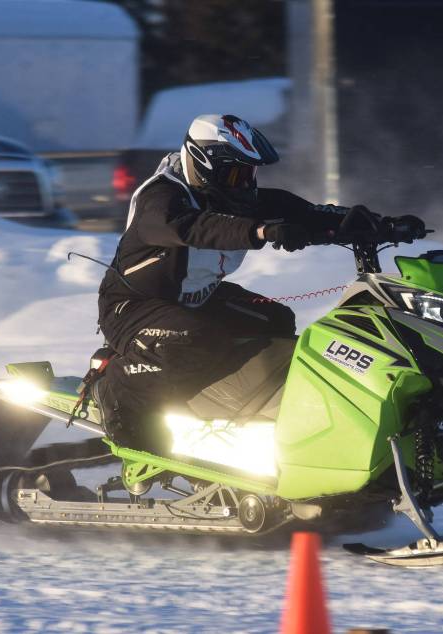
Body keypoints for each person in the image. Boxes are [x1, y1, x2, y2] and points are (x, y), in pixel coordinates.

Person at [93, 114, 423, 451]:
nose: (244, 184)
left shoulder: (235, 197)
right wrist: (259, 231)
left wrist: (379, 226)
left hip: (197, 300)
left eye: (248, 174)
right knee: (192, 336)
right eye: (235, 173)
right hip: (133, 307)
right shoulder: (162, 198)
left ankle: (238, 411)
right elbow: (190, 227)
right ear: (206, 165)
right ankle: (118, 394)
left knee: (276, 320)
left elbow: (305, 213)